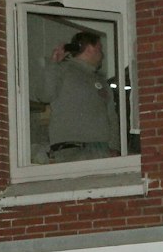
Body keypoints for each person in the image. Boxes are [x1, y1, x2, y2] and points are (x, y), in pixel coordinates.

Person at [34, 30, 118, 162]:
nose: (102, 55)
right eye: (99, 49)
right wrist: (53, 64)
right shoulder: (62, 70)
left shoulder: (101, 81)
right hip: (71, 152)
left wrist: (114, 148)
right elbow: (44, 96)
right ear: (90, 48)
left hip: (102, 151)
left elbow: (111, 116)